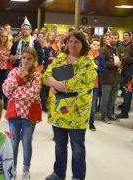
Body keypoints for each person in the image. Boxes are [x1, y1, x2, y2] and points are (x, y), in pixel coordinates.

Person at [44, 31, 96, 180]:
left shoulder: (88, 62)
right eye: (70, 41)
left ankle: (77, 177)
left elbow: (81, 81)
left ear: (83, 44)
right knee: (59, 146)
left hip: (77, 112)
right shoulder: (60, 58)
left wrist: (60, 85)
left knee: (77, 147)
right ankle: (59, 173)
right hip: (58, 110)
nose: (72, 45)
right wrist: (53, 83)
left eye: (77, 42)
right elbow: (47, 75)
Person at [2, 47, 42, 180]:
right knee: (13, 143)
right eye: (23, 57)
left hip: (30, 113)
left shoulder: (37, 75)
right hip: (14, 113)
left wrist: (16, 93)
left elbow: (34, 93)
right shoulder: (14, 72)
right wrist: (20, 77)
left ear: (34, 60)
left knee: (26, 142)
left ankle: (26, 170)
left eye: (29, 58)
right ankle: (12, 170)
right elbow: (6, 90)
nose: (25, 61)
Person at [88, 39, 106, 131]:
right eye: (94, 44)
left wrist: (97, 67)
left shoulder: (101, 57)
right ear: (90, 45)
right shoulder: (85, 55)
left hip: (95, 84)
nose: (96, 46)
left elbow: (104, 68)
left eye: (98, 45)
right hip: (84, 84)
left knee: (93, 106)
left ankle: (91, 123)